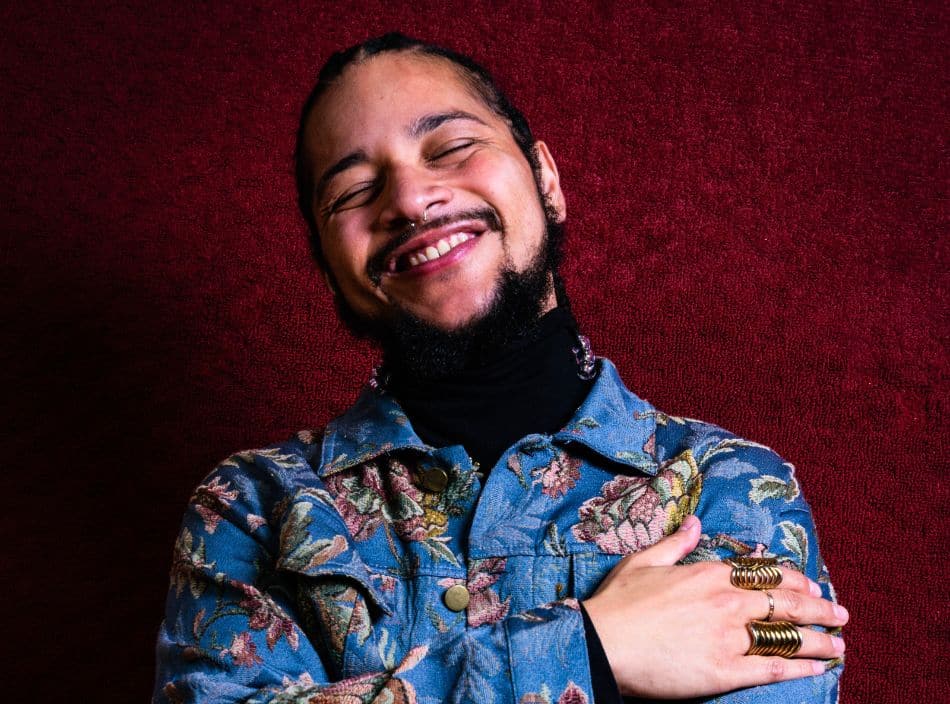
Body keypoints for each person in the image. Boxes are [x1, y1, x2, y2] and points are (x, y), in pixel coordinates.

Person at [153, 33, 847, 704]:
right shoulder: (252, 508)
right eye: (355, 192)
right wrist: (594, 650)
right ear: (330, 269)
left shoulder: (731, 487)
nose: (409, 200)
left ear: (546, 179)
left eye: (451, 148)